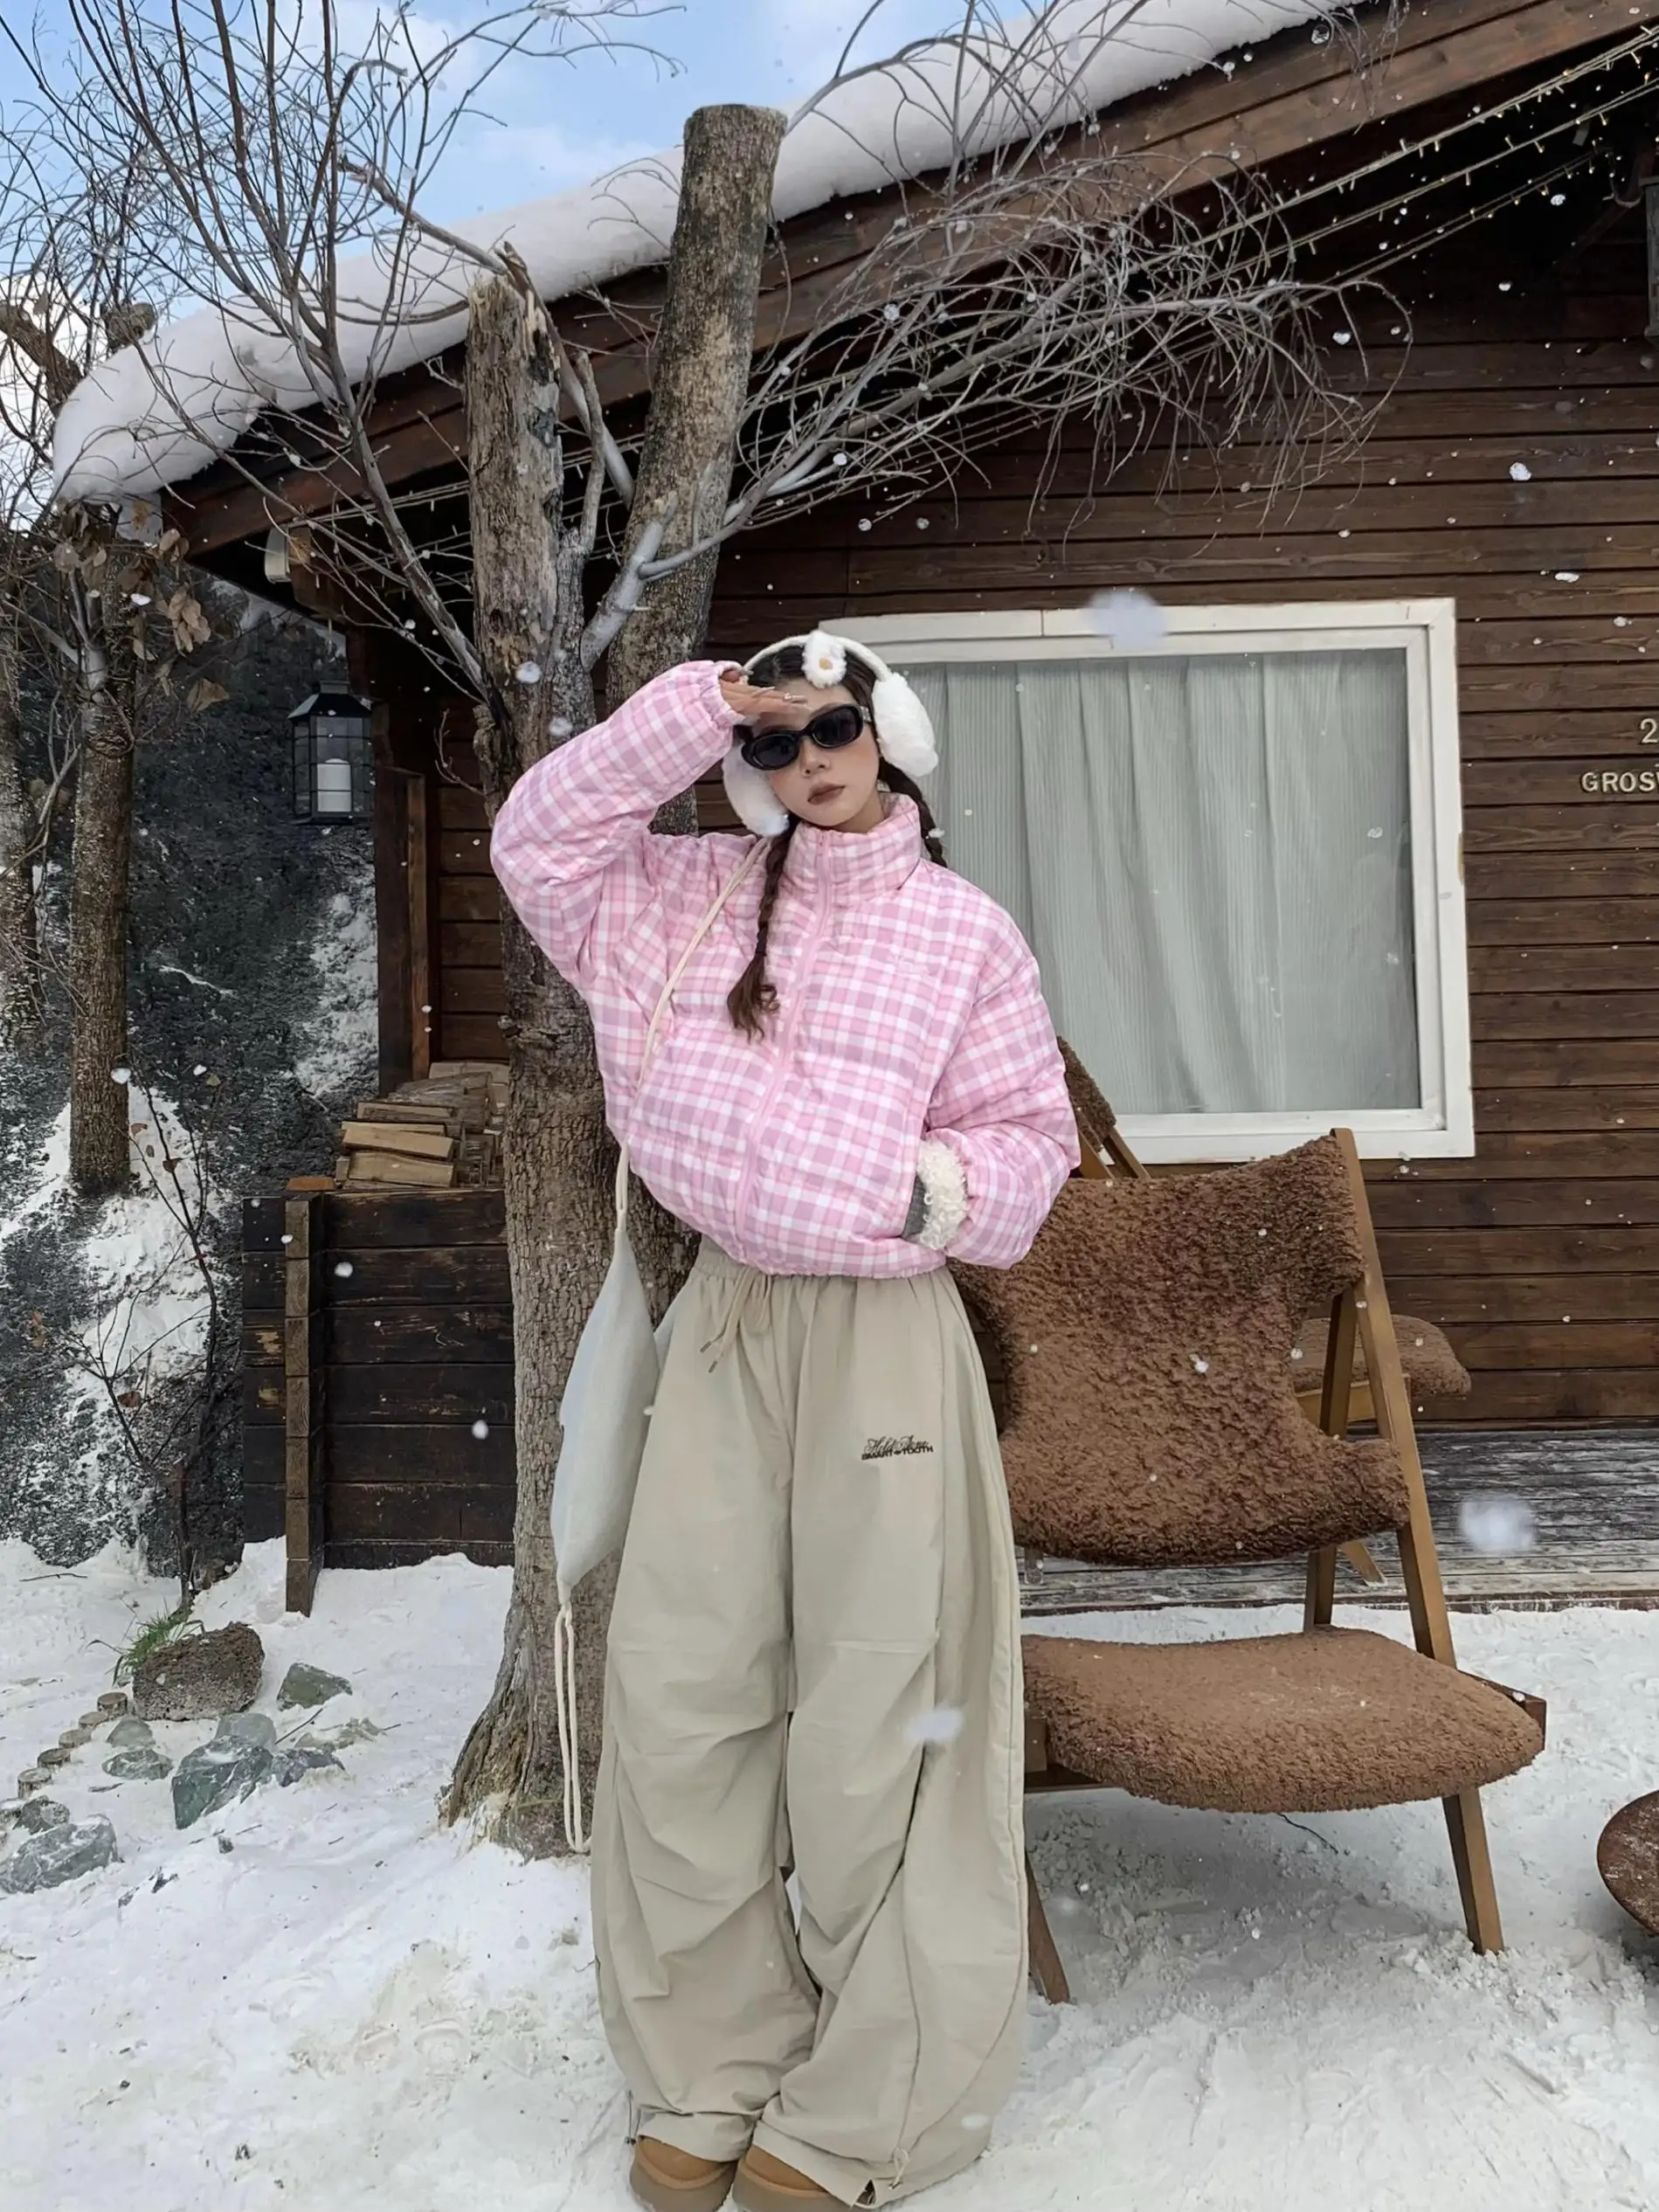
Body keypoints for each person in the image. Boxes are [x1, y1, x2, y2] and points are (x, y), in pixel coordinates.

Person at [490, 628, 1079, 2212]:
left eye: (830, 726)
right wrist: (695, 708)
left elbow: (1030, 1150)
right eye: (774, 742)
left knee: (888, 1713)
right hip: (728, 1319)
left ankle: (869, 2108)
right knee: (683, 1693)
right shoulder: (672, 900)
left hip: (885, 1334)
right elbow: (533, 840)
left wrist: (913, 1190)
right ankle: (709, 2065)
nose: (806, 757)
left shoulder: (965, 934)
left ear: (885, 733)